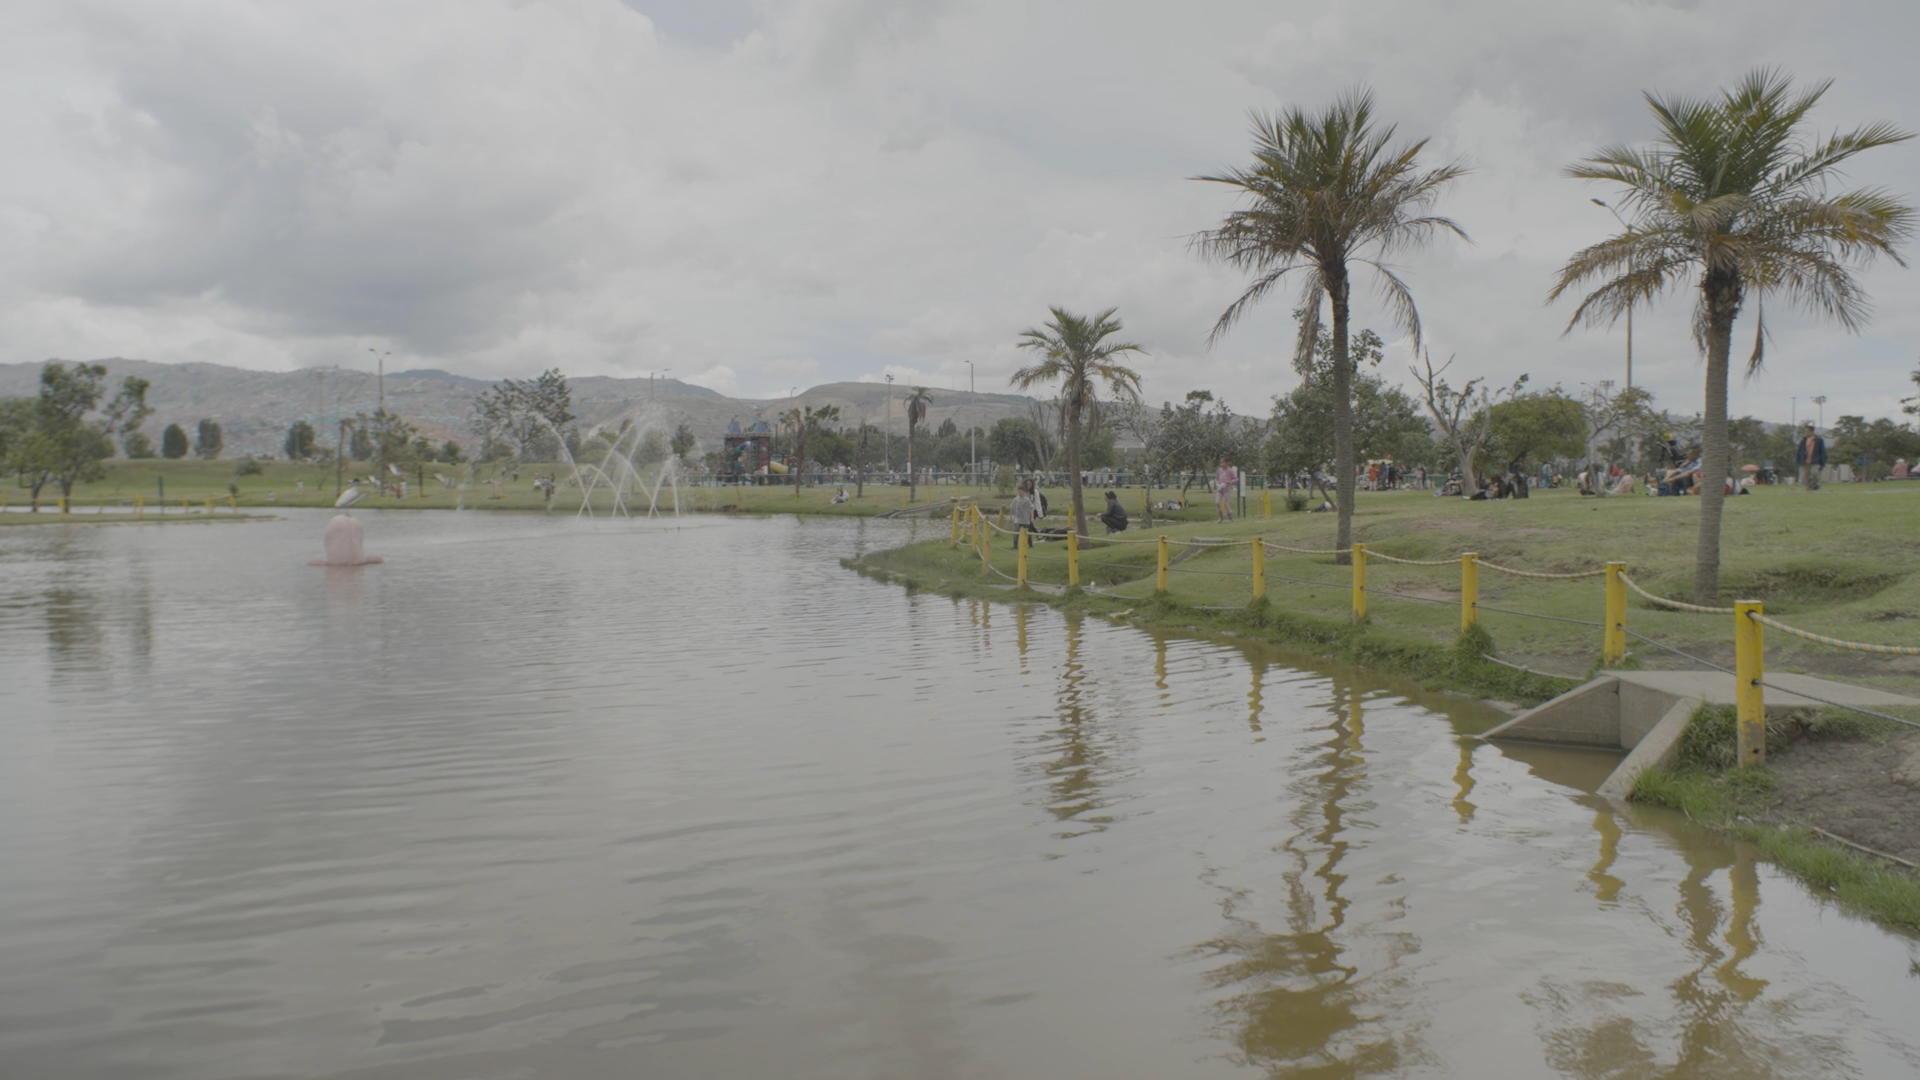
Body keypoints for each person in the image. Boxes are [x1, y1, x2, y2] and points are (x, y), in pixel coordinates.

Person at [1795, 424, 1826, 489]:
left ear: (1811, 431)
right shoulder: (1803, 440)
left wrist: (1822, 464)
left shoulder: (1819, 440)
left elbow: (1823, 452)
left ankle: (1815, 486)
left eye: (1807, 431)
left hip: (1815, 461)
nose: (1806, 432)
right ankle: (1808, 487)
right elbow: (1799, 451)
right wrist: (1799, 460)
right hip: (1805, 461)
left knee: (1814, 474)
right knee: (1804, 476)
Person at [1009, 480, 1036, 548]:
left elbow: (1032, 508)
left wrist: (1032, 517)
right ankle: (1015, 546)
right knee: (1016, 533)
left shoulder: (1027, 500)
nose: (1019, 493)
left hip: (1026, 520)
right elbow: (1012, 507)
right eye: (1018, 491)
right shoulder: (1015, 499)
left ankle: (1030, 544)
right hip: (1018, 519)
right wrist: (1011, 517)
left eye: (1021, 491)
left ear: (1024, 492)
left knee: (1028, 533)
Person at [1214, 458, 1237, 522]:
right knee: (1217, 502)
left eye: (1223, 462)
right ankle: (1220, 517)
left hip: (1227, 489)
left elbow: (1236, 479)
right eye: (1221, 463)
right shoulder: (1219, 470)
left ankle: (1230, 517)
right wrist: (1217, 484)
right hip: (1220, 489)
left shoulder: (1230, 470)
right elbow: (1216, 478)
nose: (1221, 464)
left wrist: (1229, 482)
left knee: (1225, 503)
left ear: (1227, 463)